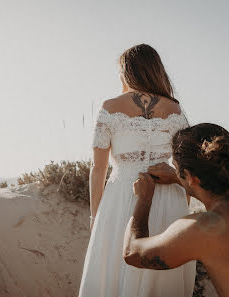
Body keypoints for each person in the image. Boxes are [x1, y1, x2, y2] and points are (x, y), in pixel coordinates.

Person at [123, 123, 229, 297]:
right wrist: (180, 178)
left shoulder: (204, 229)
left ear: (191, 177)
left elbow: (132, 253)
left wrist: (143, 200)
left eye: (176, 167)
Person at [78, 44, 196, 297]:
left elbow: (97, 168)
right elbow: (184, 166)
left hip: (122, 198)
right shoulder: (175, 110)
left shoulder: (110, 107)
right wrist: (182, 208)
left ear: (126, 72)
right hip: (169, 196)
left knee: (117, 267)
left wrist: (95, 217)